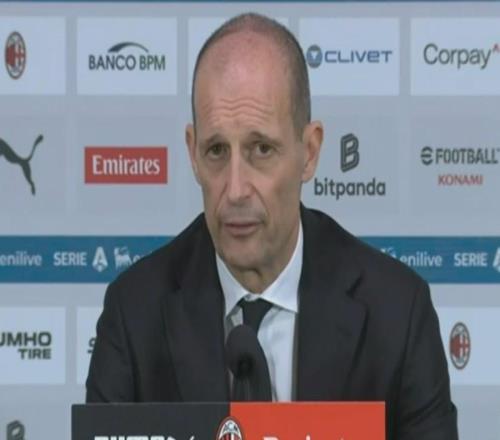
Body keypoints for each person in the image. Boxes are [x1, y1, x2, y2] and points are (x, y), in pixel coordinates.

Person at [86, 12, 458, 439]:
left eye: (261, 149)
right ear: (192, 153)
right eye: (216, 151)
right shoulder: (134, 313)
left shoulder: (397, 313)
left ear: (309, 151)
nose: (235, 190)